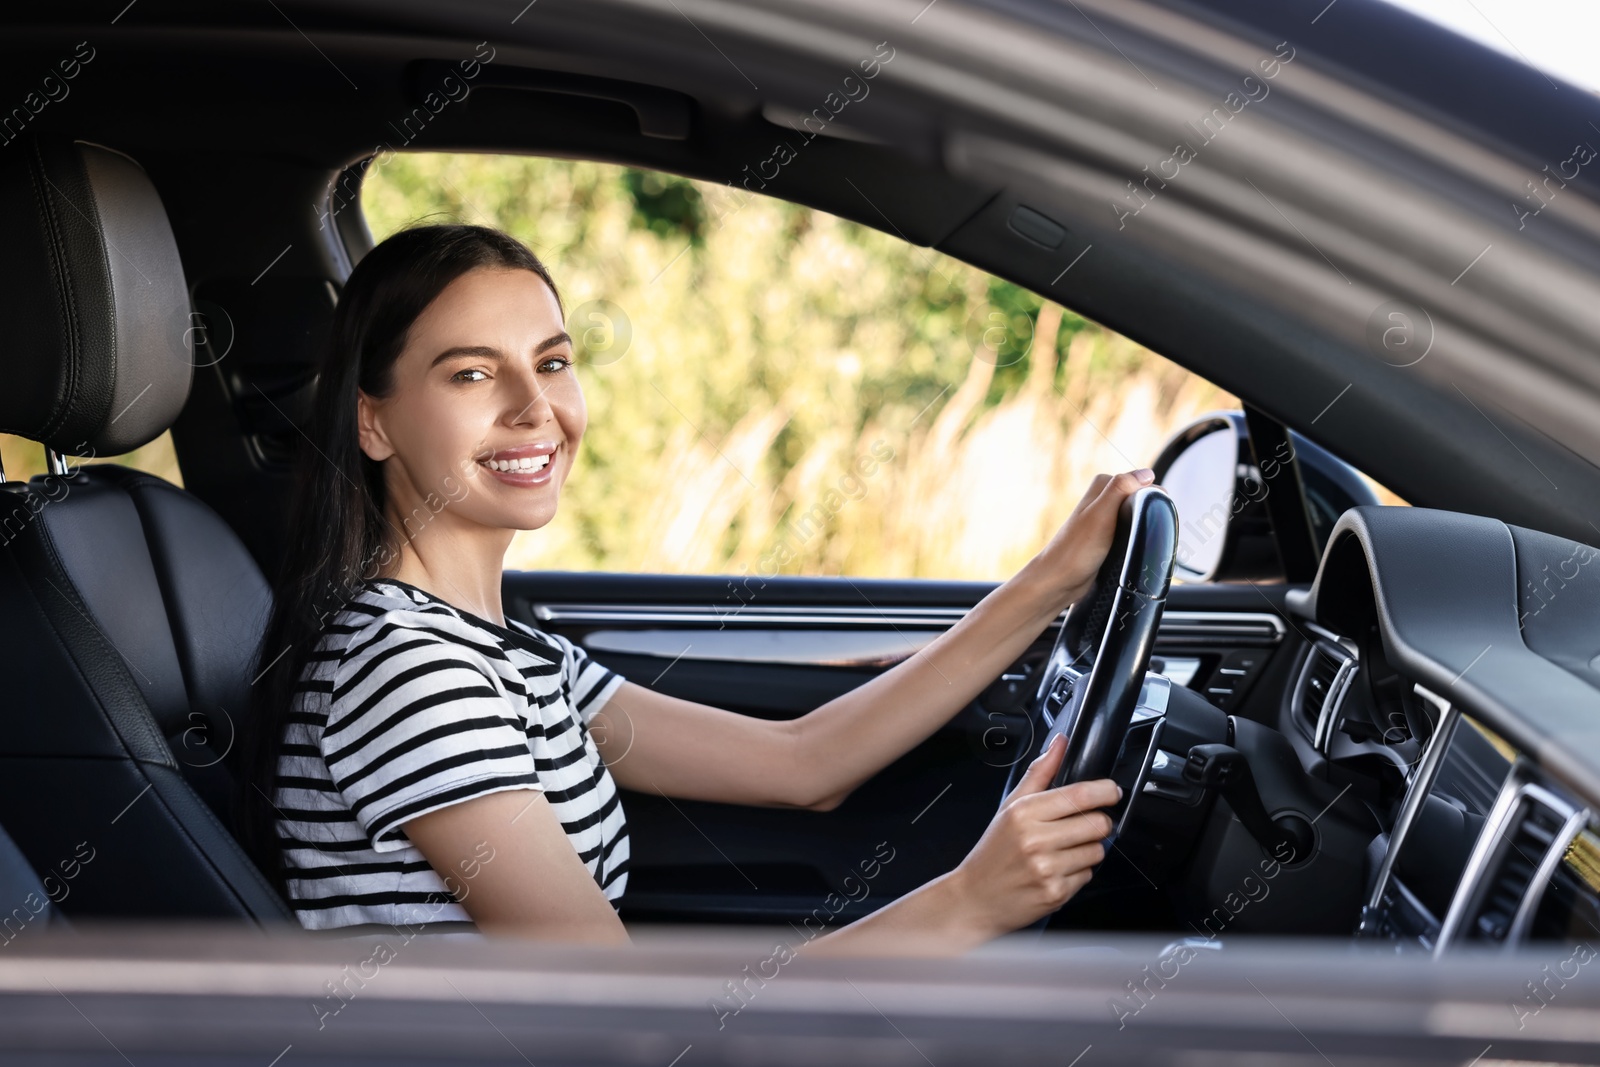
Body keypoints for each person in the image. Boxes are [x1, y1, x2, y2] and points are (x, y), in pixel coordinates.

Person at [238, 223, 1147, 953]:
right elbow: (631, 1025)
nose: (533, 405)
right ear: (373, 422)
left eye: (552, 362)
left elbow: (804, 767)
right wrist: (969, 904)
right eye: (472, 373)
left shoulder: (507, 654)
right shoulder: (408, 673)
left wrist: (1050, 580)